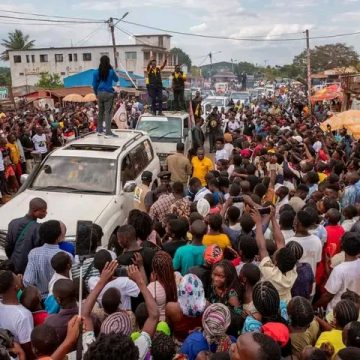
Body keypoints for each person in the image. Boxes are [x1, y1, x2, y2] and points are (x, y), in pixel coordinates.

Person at [252, 208, 297, 303]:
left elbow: (262, 247)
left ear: (275, 262)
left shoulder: (271, 273)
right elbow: (280, 242)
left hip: (270, 305)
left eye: (276, 253)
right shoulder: (292, 270)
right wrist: (272, 218)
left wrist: (258, 223)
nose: (277, 249)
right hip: (285, 303)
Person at [314, 232, 360, 312]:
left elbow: (328, 295)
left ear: (343, 247)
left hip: (336, 311)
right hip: (354, 310)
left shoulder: (339, 270)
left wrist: (313, 307)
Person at [23, 220, 66, 299]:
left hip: (39, 300)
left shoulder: (33, 253)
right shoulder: (66, 256)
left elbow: (28, 281)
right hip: (59, 301)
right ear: (59, 236)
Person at [286, 210, 322, 298]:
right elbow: (317, 262)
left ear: (299, 223)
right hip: (309, 287)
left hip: (292, 288)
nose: (293, 222)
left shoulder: (289, 242)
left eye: (295, 220)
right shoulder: (317, 241)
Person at [5, 197, 47, 274]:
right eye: (43, 211)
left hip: (13, 265)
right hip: (29, 268)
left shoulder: (13, 223)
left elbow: (8, 246)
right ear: (35, 211)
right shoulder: (38, 228)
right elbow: (40, 250)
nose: (46, 213)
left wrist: (13, 259)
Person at [0, 271, 34, 358]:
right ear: (16, 287)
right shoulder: (23, 316)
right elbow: (28, 349)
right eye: (16, 278)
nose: (19, 277)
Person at [165, 274, 206, 343]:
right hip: (199, 341)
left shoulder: (171, 308)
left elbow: (169, 327)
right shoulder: (207, 306)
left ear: (181, 290)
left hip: (179, 342)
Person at [92, 55, 119, 137]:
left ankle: (99, 130)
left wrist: (96, 94)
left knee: (100, 112)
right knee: (108, 112)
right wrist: (112, 69)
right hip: (108, 93)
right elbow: (116, 79)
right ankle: (108, 131)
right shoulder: (110, 71)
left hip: (99, 93)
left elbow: (94, 85)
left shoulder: (96, 72)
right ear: (108, 62)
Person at [147, 251, 177, 321]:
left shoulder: (152, 287)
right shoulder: (178, 278)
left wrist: (152, 283)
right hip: (175, 320)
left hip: (159, 323)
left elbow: (150, 309)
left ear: (154, 270)